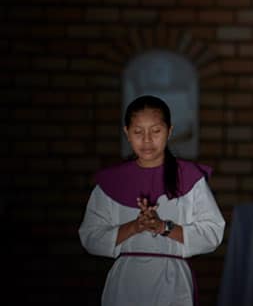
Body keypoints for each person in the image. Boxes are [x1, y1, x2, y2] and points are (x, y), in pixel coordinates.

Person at [78, 95, 225, 306]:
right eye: (138, 132)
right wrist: (135, 227)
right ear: (127, 133)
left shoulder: (189, 177)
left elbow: (212, 232)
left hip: (173, 282)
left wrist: (163, 227)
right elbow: (90, 236)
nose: (147, 140)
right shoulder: (112, 181)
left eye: (156, 131)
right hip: (126, 282)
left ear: (169, 131)